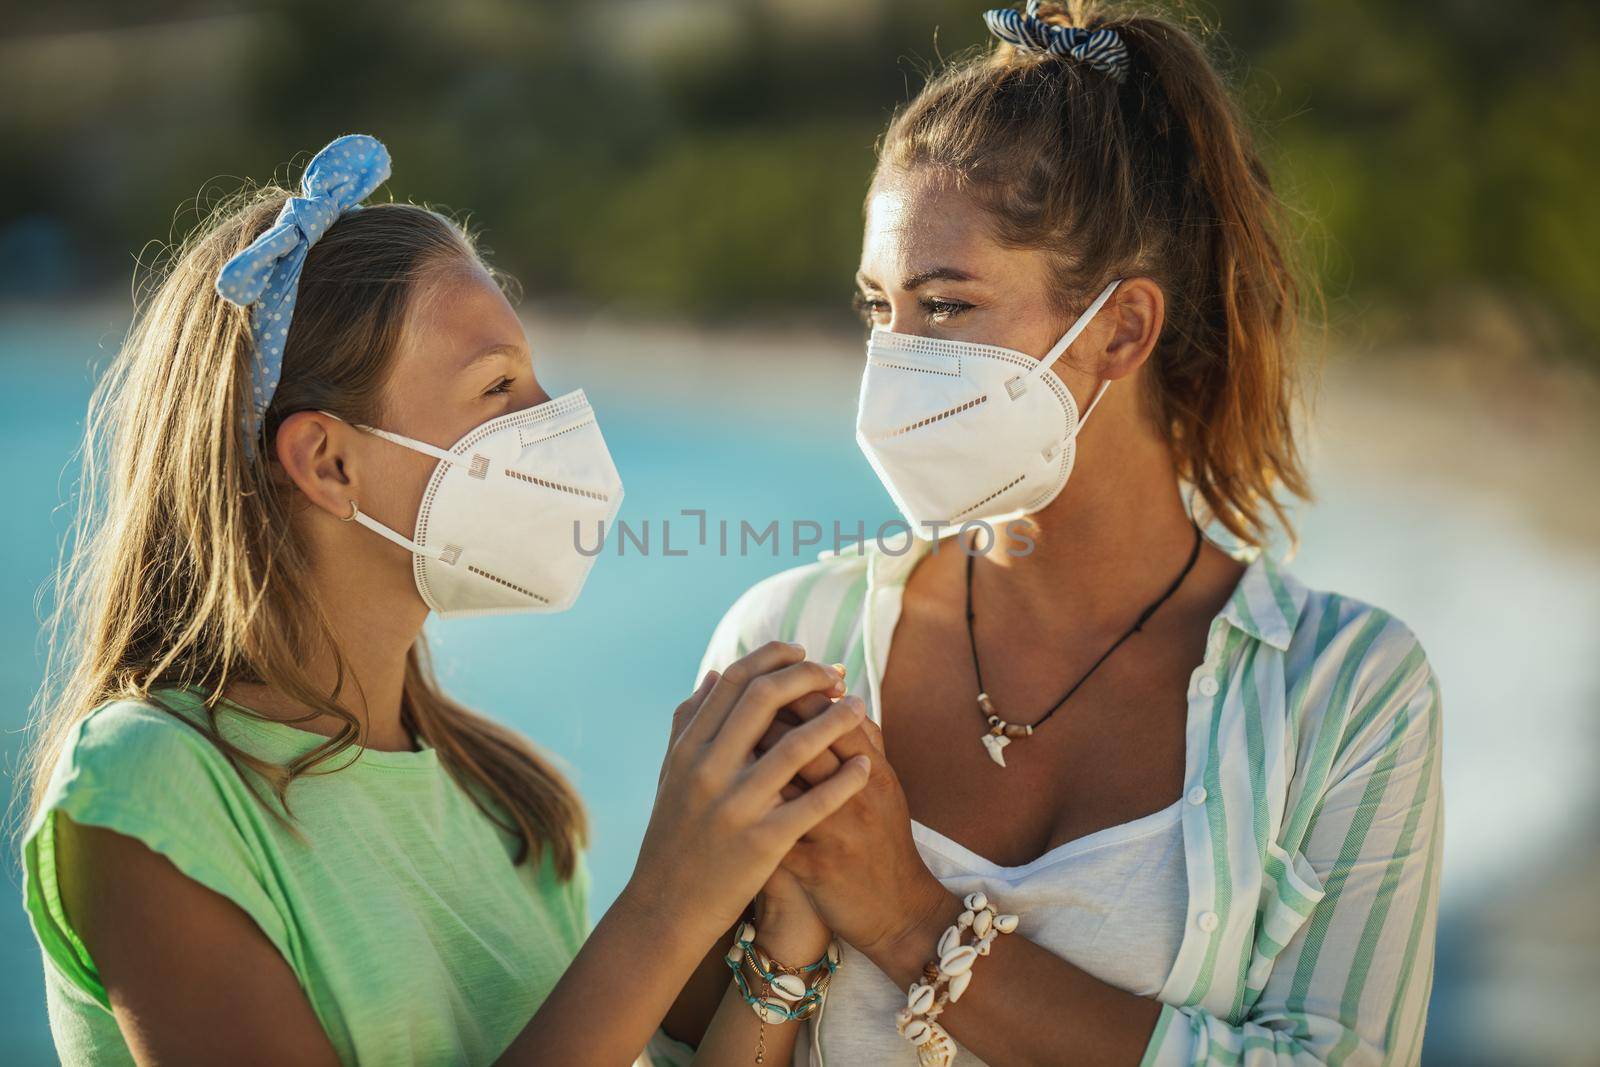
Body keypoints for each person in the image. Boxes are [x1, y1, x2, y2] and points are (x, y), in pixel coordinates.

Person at [654, 3, 1443, 1065]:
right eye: (876, 309)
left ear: (1120, 329)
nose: (892, 362)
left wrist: (902, 915)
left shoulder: (1346, 695)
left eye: (942, 306)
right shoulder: (789, 639)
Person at [17, 133, 872, 1066]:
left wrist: (773, 929)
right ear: (328, 463)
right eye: (499, 386)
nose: (555, 423)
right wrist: (669, 900)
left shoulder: (506, 801)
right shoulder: (155, 785)